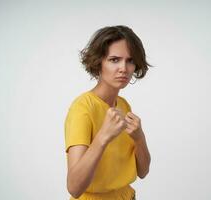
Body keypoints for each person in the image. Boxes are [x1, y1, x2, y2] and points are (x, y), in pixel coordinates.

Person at [64, 25, 151, 200]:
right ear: (99, 62)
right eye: (114, 60)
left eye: (130, 60)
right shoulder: (82, 108)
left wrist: (139, 138)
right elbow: (74, 187)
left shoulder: (124, 105)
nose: (124, 68)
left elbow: (143, 171)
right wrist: (103, 136)